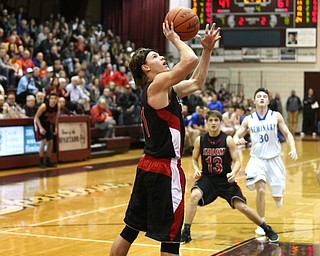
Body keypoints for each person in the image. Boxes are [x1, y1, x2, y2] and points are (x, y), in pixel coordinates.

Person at [110, 22, 221, 256]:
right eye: (155, 56)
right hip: (165, 170)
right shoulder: (157, 85)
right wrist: (174, 37)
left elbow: (197, 81)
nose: (161, 57)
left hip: (148, 166)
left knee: (130, 230)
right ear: (145, 68)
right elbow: (189, 60)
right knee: (171, 238)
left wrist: (208, 51)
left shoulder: (165, 89)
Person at [180, 110, 279, 244]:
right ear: (207, 122)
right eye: (211, 120)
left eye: (216, 120)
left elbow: (237, 160)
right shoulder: (200, 140)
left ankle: (266, 228)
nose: (213, 123)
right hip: (208, 179)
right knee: (193, 196)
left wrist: (234, 172)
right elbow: (193, 159)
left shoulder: (227, 139)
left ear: (220, 122)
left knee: (242, 207)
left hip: (225, 180)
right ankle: (186, 232)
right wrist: (197, 169)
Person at [233, 88, 298, 236]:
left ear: (268, 101)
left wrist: (293, 148)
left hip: (274, 159)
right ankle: (262, 223)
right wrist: (238, 140)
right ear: (254, 101)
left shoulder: (276, 116)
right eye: (259, 96)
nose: (262, 98)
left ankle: (277, 196)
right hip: (257, 159)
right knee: (261, 190)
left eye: (264, 96)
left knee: (277, 198)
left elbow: (287, 134)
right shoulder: (249, 119)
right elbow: (235, 136)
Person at [34, 92, 60, 168]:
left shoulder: (57, 107)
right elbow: (36, 117)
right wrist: (40, 128)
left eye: (55, 99)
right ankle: (41, 161)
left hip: (48, 124)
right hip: (40, 123)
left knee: (51, 141)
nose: (53, 100)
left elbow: (56, 117)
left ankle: (48, 160)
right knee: (44, 141)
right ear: (49, 99)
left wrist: (55, 127)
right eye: (52, 98)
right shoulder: (44, 106)